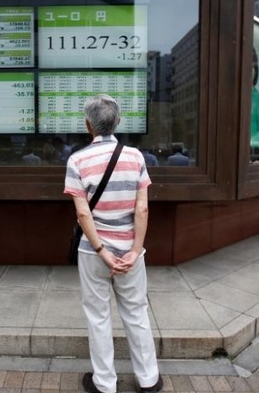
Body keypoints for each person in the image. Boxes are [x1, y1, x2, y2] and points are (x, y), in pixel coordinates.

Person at [63, 94, 163, 393]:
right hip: (131, 252)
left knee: (98, 316)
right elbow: (142, 209)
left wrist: (102, 251)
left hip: (93, 252)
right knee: (136, 312)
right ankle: (148, 380)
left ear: (87, 125)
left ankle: (105, 383)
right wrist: (135, 250)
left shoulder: (77, 160)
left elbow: (82, 212)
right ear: (117, 122)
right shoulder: (135, 157)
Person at [250, 47, 259, 148]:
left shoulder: (256, 96)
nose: (250, 71)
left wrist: (251, 142)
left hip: (251, 150)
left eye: (253, 67)